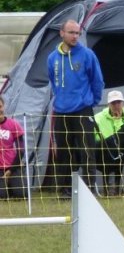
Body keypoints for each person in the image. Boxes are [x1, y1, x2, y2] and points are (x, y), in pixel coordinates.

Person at [47, 19, 104, 198]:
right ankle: (65, 190)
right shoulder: (52, 58)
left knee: (87, 149)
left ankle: (89, 188)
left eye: (77, 33)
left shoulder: (88, 55)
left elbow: (97, 81)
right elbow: (53, 82)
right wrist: (62, 99)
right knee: (64, 152)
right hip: (61, 110)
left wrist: (91, 101)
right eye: (71, 32)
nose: (75, 36)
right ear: (62, 33)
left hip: (82, 109)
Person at [95, 90, 124, 196]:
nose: (116, 105)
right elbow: (93, 139)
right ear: (108, 105)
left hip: (122, 151)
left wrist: (118, 119)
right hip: (103, 152)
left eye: (118, 102)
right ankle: (110, 189)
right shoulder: (98, 118)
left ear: (123, 103)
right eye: (113, 103)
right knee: (106, 153)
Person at [0, 96, 27, 199]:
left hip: (12, 166)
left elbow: (21, 150)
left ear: (4, 107)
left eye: (0, 106)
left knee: (21, 195)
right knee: (2, 196)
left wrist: (10, 170)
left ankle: (11, 185)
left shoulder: (13, 124)